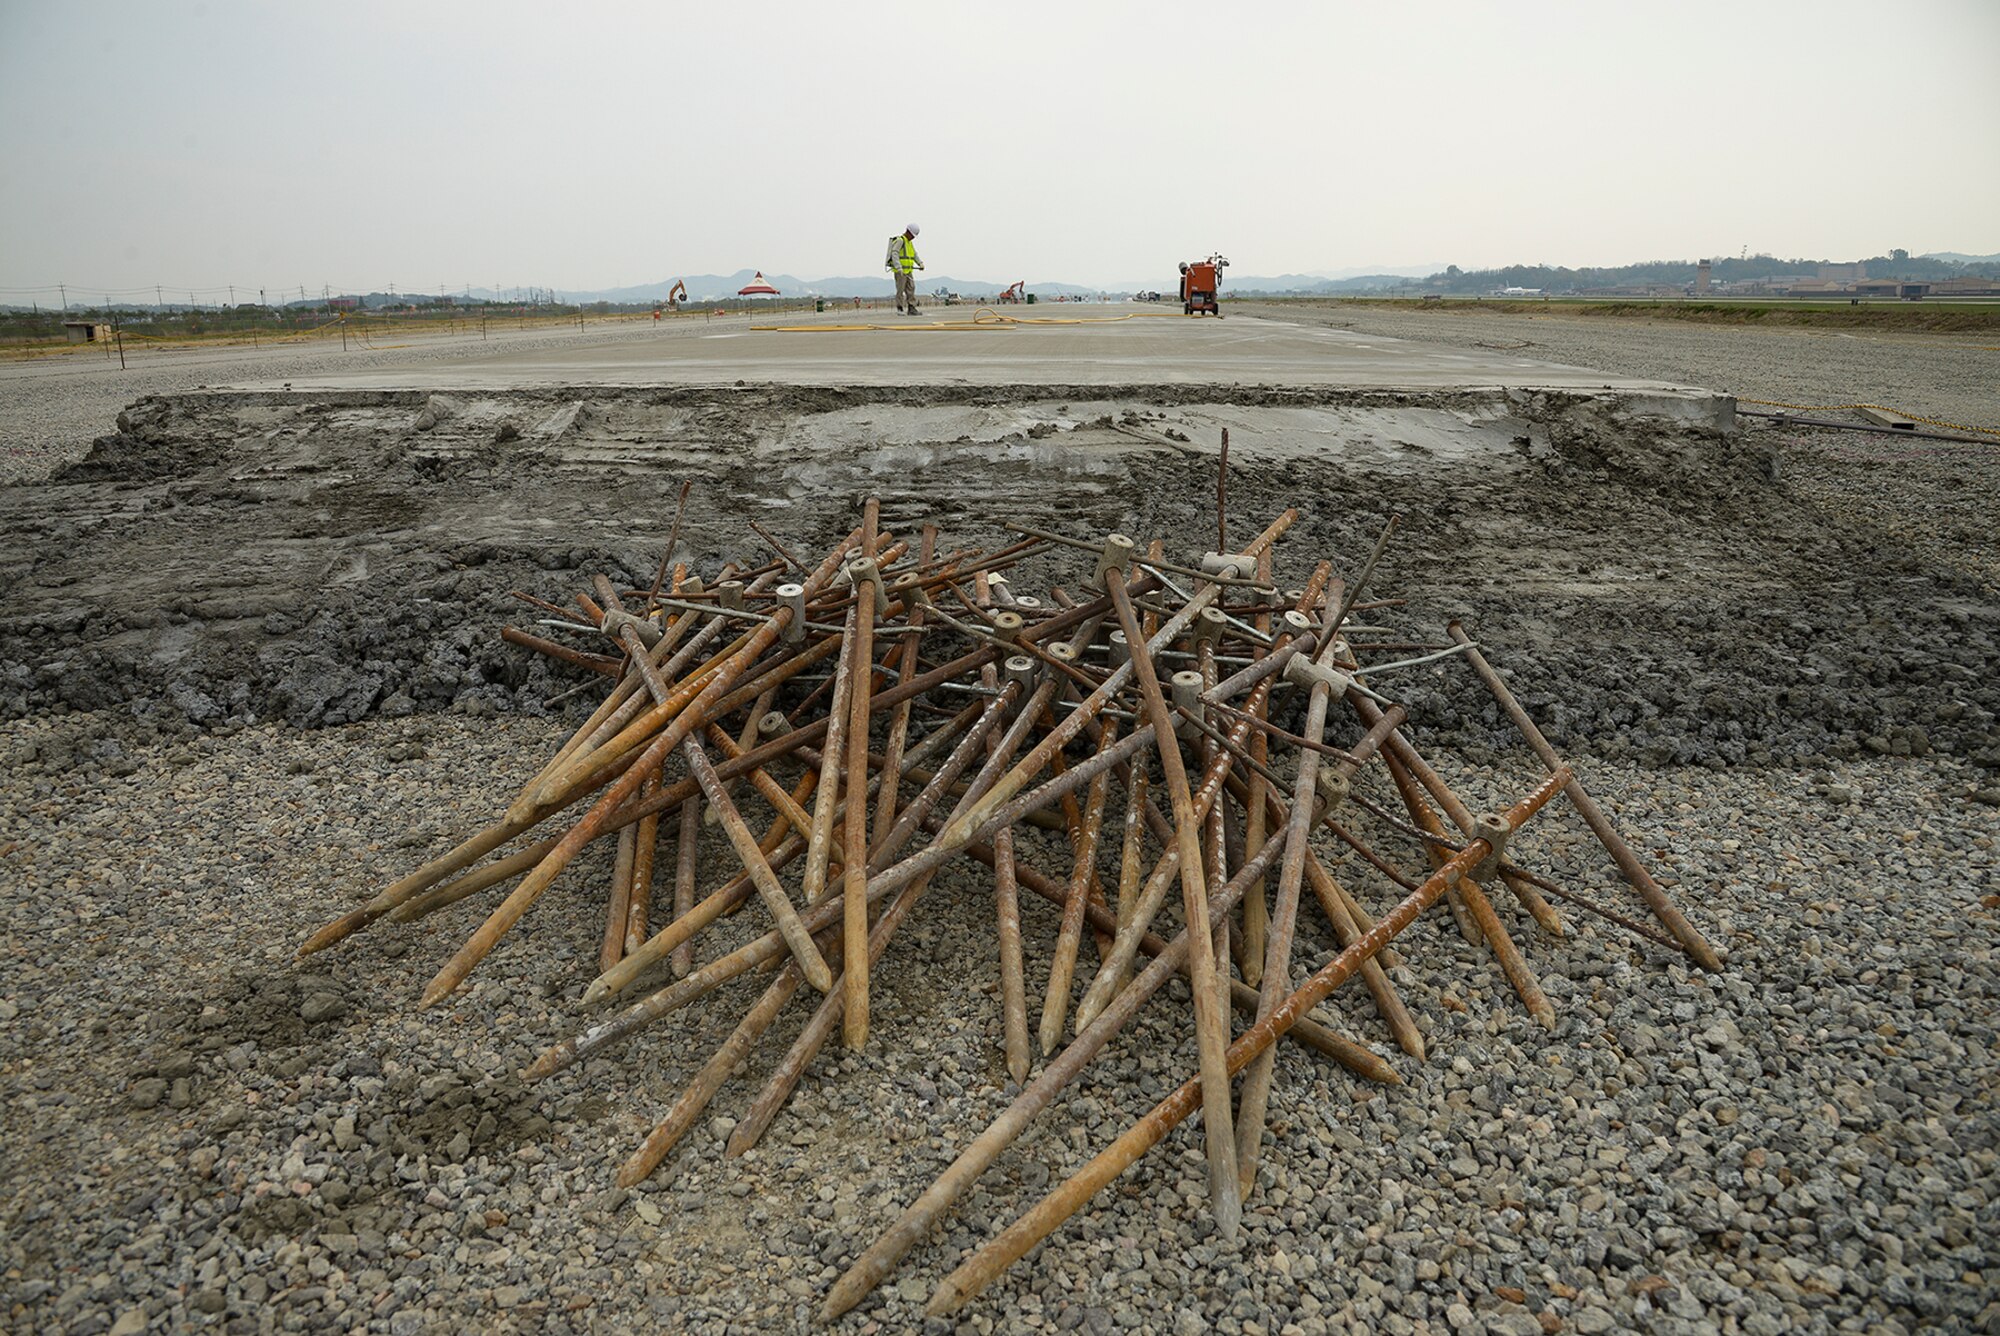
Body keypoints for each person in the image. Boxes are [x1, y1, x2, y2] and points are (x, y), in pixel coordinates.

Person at [885, 223, 924, 314]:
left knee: (911, 288)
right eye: (912, 235)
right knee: (900, 290)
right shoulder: (900, 240)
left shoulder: (909, 243)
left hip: (908, 270)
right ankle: (900, 308)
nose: (913, 238)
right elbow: (894, 253)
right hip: (900, 271)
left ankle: (911, 308)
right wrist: (898, 267)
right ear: (908, 232)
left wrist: (920, 263)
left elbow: (914, 254)